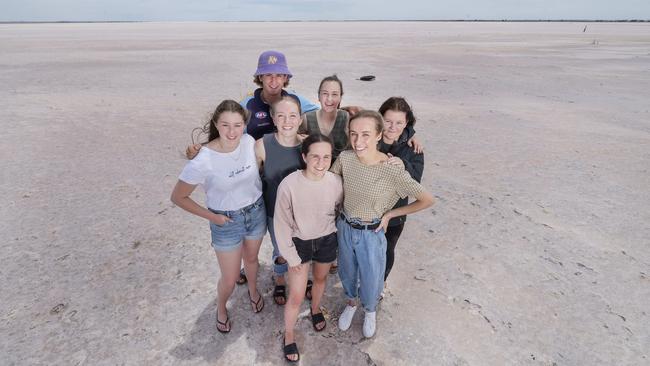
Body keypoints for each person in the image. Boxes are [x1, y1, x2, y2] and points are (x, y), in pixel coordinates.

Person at [331, 110, 434, 338]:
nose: (358, 141)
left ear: (379, 135)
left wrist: (390, 215)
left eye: (366, 134)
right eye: (354, 134)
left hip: (371, 232)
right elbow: (330, 183)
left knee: (372, 276)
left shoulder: (392, 169)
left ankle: (370, 310)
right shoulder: (345, 158)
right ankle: (351, 303)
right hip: (345, 227)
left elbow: (427, 199)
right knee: (347, 272)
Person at [170, 100, 266, 334]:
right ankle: (221, 307)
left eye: (237, 125)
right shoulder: (203, 158)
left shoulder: (249, 141)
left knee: (252, 260)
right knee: (230, 278)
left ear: (245, 125)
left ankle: (253, 290)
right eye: (225, 125)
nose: (232, 132)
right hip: (225, 221)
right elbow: (178, 197)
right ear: (216, 124)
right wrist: (213, 218)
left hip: (255, 211)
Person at [274, 134, 343, 362]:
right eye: (315, 156)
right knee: (295, 295)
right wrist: (291, 257)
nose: (321, 162)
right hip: (300, 244)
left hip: (326, 240)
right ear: (304, 156)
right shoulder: (290, 185)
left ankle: (315, 308)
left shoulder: (335, 182)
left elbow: (338, 209)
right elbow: (281, 224)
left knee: (321, 280)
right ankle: (289, 334)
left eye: (326, 157)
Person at [254, 95, 312, 306]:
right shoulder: (262, 146)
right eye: (281, 116)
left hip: (303, 212)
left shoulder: (308, 145)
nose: (287, 121)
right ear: (273, 118)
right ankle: (279, 277)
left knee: (302, 247)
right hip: (274, 213)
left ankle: (303, 279)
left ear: (300, 118)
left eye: (292, 116)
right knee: (280, 250)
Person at [377, 97, 424, 289]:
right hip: (366, 209)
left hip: (395, 213)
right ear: (379, 118)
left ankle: (380, 283)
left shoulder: (413, 149)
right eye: (388, 121)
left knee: (386, 250)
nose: (392, 127)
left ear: (407, 123)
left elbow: (416, 184)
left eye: (399, 123)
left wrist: (403, 165)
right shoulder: (369, 136)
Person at [241, 50, 319, 140]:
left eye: (279, 75)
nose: (273, 80)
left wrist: (305, 137)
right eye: (268, 75)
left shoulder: (295, 99)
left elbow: (320, 115)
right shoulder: (247, 105)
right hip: (259, 152)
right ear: (260, 77)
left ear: (285, 77)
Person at [300, 75, 349, 162]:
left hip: (339, 172)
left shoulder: (346, 118)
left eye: (334, 94)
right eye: (325, 93)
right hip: (315, 170)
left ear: (340, 97)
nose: (329, 99)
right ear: (319, 96)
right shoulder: (307, 119)